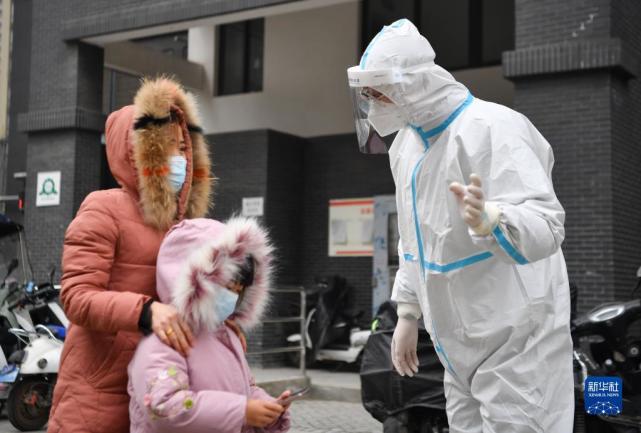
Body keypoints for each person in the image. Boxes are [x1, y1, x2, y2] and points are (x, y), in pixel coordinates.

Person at [347, 19, 574, 432]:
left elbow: (547, 224)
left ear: (411, 83)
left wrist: (495, 220)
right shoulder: (406, 148)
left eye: (379, 92)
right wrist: (407, 313)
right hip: (455, 342)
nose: (374, 104)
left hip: (516, 336)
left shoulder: (494, 127)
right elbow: (412, 241)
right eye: (368, 96)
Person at [47, 77, 213, 433]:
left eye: (183, 147)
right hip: (99, 392)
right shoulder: (103, 208)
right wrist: (145, 311)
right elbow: (76, 297)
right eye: (166, 146)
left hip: (160, 389)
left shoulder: (186, 227)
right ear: (139, 152)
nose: (180, 158)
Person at [128, 217, 291, 433]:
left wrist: (267, 408)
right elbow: (164, 406)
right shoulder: (164, 339)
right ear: (194, 281)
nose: (233, 296)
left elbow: (244, 387)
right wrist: (241, 412)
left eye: (239, 289)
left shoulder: (226, 333)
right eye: (227, 286)